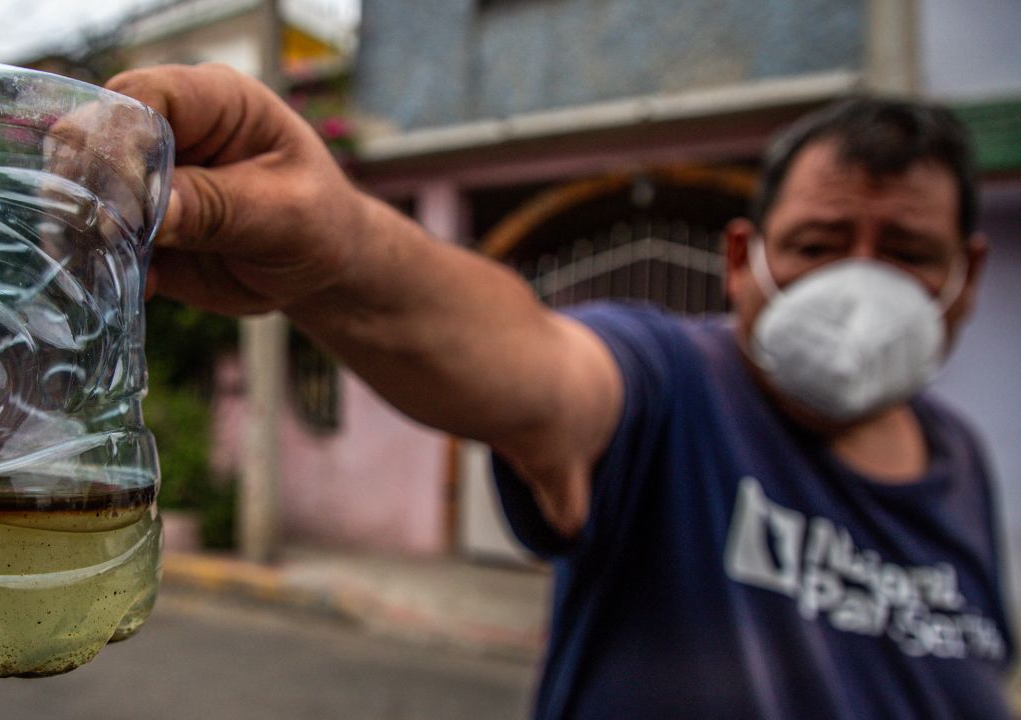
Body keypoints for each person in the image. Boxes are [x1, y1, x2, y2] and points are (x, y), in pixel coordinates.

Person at [102, 63, 1015, 718]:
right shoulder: (674, 384)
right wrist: (340, 251)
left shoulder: (964, 462)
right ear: (744, 261)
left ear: (964, 279)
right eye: (817, 245)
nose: (857, 289)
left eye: (906, 255)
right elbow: (534, 363)